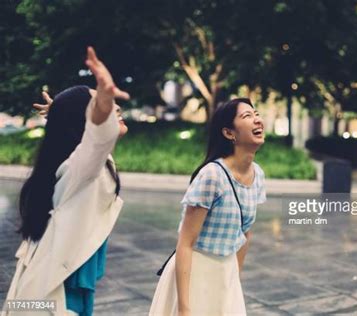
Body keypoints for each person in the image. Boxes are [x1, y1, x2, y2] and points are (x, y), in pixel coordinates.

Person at [2, 47, 129, 316]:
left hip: (60, 291)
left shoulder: (82, 166)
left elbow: (92, 143)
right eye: (101, 104)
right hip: (56, 298)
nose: (115, 107)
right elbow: (97, 141)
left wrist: (59, 113)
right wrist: (100, 100)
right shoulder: (79, 169)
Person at [149, 98, 267, 316]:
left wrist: (234, 280)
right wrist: (184, 308)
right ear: (229, 133)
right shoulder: (212, 175)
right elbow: (185, 243)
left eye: (256, 113)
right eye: (247, 116)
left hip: (226, 273)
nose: (257, 120)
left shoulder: (257, 175)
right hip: (195, 274)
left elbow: (245, 234)